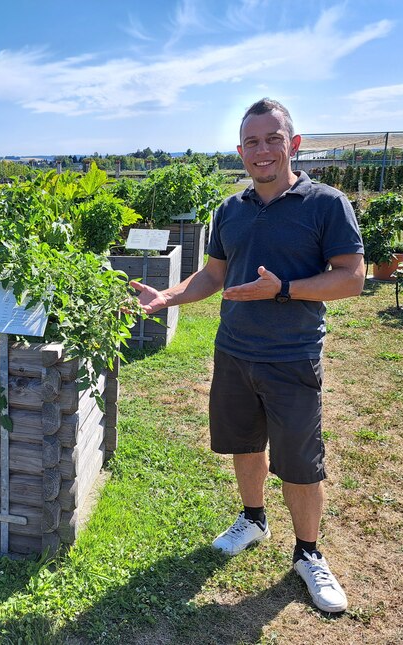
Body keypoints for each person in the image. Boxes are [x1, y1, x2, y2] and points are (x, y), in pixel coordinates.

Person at [131, 98, 364, 613]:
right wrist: (168, 297)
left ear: (293, 144)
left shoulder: (326, 203)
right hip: (234, 352)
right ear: (240, 151)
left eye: (272, 139)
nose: (262, 151)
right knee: (244, 442)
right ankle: (253, 519)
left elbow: (352, 277)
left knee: (301, 463)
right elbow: (214, 274)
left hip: (292, 356)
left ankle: (308, 553)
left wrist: (284, 290)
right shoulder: (229, 210)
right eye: (252, 142)